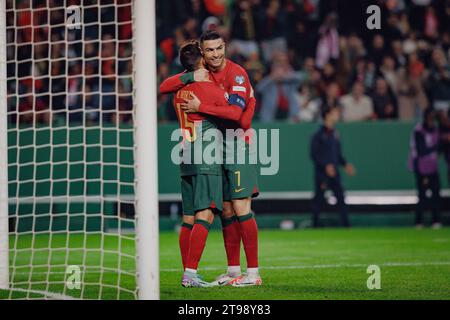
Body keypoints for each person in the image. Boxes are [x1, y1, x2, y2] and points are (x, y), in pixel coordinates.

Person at [160, 30, 261, 287]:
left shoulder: (236, 73)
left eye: (219, 48)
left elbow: (240, 117)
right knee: (226, 210)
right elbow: (163, 86)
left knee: (240, 208)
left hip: (236, 144)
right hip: (213, 148)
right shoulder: (201, 76)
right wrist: (192, 75)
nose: (216, 54)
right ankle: (233, 270)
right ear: (202, 55)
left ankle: (253, 274)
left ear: (224, 47)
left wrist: (201, 107)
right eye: (210, 50)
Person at [310, 107, 356, 228]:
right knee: (318, 200)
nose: (337, 115)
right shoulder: (318, 135)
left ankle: (347, 226)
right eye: (334, 113)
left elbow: (338, 154)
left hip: (335, 173)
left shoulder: (335, 133)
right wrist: (326, 167)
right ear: (327, 115)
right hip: (322, 175)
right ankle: (314, 226)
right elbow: (314, 155)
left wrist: (345, 164)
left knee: (341, 198)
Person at [408, 107, 442, 229]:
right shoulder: (419, 131)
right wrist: (435, 147)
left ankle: (436, 220)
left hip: (433, 167)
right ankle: (419, 222)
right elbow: (421, 150)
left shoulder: (436, 130)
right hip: (421, 168)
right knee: (422, 196)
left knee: (436, 195)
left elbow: (440, 148)